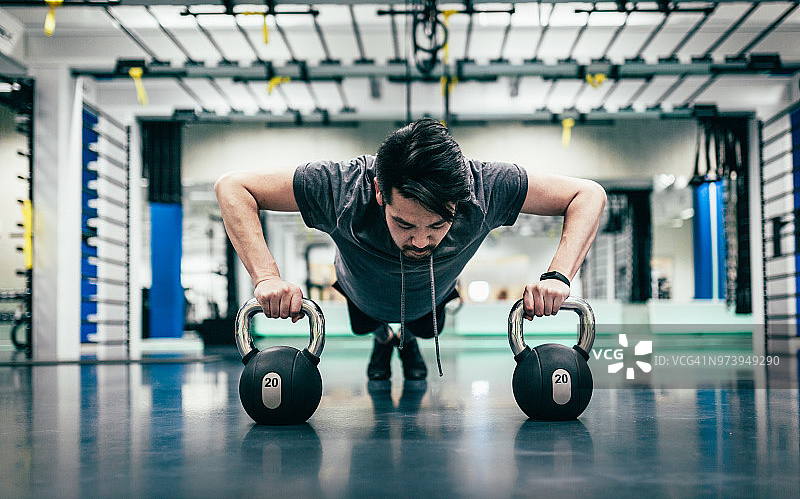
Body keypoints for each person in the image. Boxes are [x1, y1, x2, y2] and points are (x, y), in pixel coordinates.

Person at [215, 118, 606, 380]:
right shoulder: (340, 187)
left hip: (429, 299)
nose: (421, 241)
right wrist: (265, 276)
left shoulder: (487, 186)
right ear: (378, 192)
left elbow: (587, 194)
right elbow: (233, 187)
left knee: (419, 327)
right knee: (371, 326)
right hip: (362, 293)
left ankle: (403, 341)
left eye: (438, 225)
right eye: (404, 223)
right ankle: (384, 338)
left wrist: (558, 277)